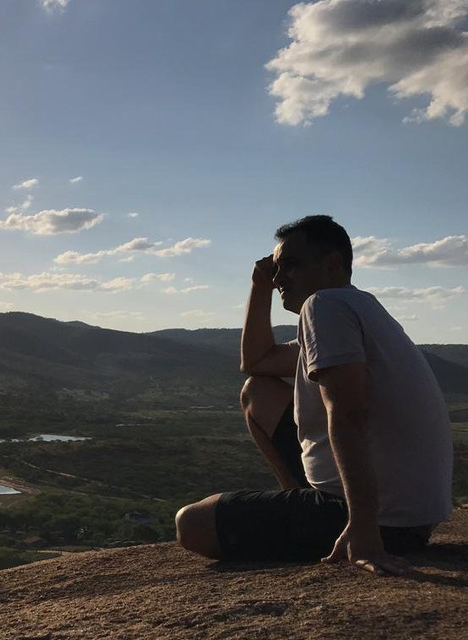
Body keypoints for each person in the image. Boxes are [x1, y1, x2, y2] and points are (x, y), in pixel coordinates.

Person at [175, 215, 453, 576]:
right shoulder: (353, 308)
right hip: (407, 517)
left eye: (290, 265)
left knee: (191, 525)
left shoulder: (324, 306)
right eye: (276, 268)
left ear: (333, 264)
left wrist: (365, 531)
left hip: (379, 520)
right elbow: (257, 362)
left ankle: (335, 521)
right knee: (258, 391)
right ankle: (302, 502)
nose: (279, 279)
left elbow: (349, 413)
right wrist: (260, 286)